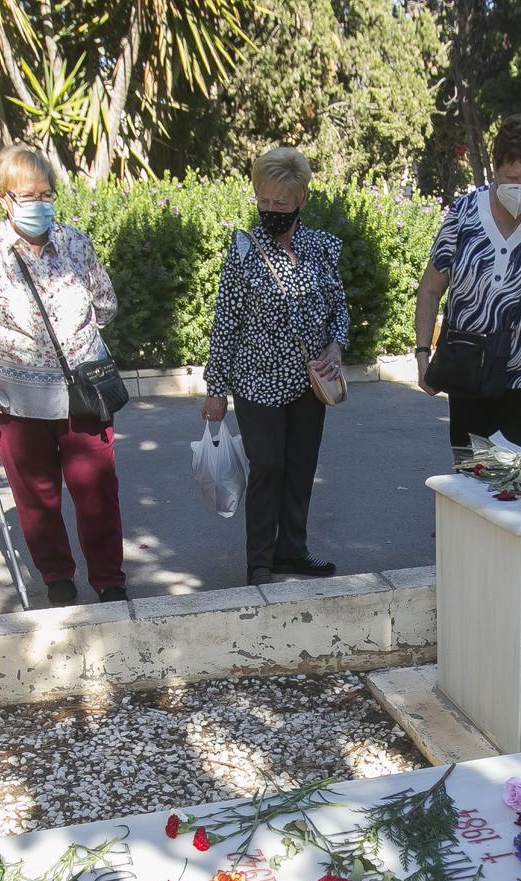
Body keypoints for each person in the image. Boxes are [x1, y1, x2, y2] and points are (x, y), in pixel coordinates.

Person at [0, 145, 127, 605]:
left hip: (83, 393)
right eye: (27, 195)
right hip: (15, 399)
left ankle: (109, 578)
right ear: (3, 198)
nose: (39, 204)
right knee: (36, 497)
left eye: (46, 193)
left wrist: (75, 339)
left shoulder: (75, 242)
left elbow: (105, 304)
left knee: (97, 492)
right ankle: (57, 575)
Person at [202, 146, 349, 585]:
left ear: (301, 199)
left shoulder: (321, 248)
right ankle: (260, 559)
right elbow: (225, 319)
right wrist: (216, 388)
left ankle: (293, 550)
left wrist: (337, 348)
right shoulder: (244, 250)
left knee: (301, 464)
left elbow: (339, 307)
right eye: (263, 201)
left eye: (280, 203)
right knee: (267, 465)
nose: (271, 210)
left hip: (310, 380)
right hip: (256, 380)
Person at [413, 114, 521, 465]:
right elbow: (430, 289)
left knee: (520, 486)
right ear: (496, 169)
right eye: (512, 177)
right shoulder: (464, 214)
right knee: (470, 478)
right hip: (468, 373)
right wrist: (421, 354)